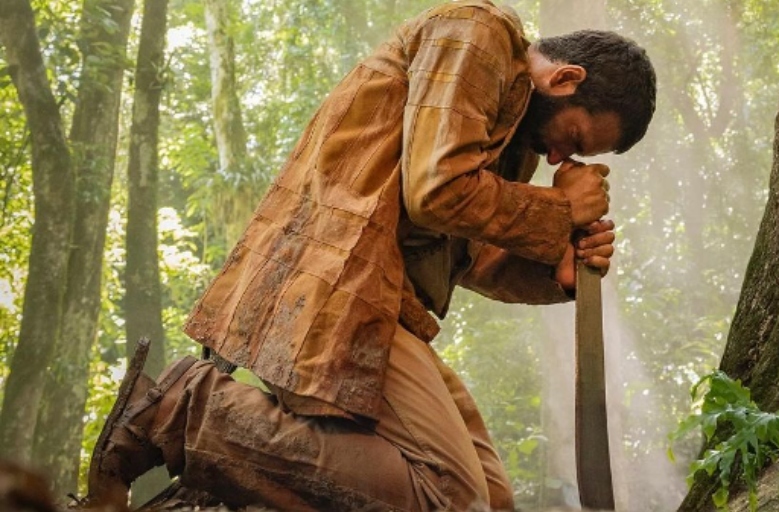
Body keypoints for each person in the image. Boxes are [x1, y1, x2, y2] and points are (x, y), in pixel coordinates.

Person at [82, 1, 656, 510]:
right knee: (452, 500)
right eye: (574, 139)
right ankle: (178, 410)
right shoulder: (476, 33)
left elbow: (471, 260)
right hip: (336, 288)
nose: (560, 158)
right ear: (565, 78)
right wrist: (559, 212)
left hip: (387, 310)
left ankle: (227, 451)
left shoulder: (512, 142)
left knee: (493, 499)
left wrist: (552, 272)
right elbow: (436, 192)